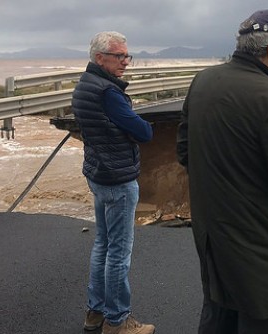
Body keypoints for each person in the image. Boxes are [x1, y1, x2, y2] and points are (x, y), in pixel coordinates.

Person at [176, 9, 268, 334]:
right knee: (261, 318)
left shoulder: (204, 81)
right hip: (258, 245)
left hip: (212, 235)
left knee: (217, 314)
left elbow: (184, 151)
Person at [71, 31, 155, 334]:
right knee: (119, 251)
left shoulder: (84, 86)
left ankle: (95, 313)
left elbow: (100, 129)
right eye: (120, 56)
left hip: (98, 174)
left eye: (126, 56)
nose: (126, 63)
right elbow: (144, 132)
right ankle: (118, 321)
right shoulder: (108, 92)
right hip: (118, 179)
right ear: (100, 58)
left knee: (103, 244)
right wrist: (136, 128)